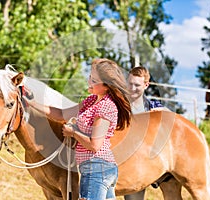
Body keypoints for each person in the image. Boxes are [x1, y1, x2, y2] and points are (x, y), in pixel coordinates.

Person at [24, 58, 132, 200]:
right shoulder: (91, 101)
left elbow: (94, 146)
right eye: (90, 77)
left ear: (106, 86)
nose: (89, 82)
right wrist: (32, 103)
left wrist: (73, 133)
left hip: (97, 170)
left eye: (94, 80)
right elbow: (61, 114)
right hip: (95, 169)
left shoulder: (105, 107)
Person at [124, 66, 163, 200]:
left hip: (145, 162)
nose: (132, 88)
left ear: (146, 85)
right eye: (130, 83)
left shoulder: (154, 107)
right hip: (123, 162)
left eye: (137, 85)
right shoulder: (119, 106)